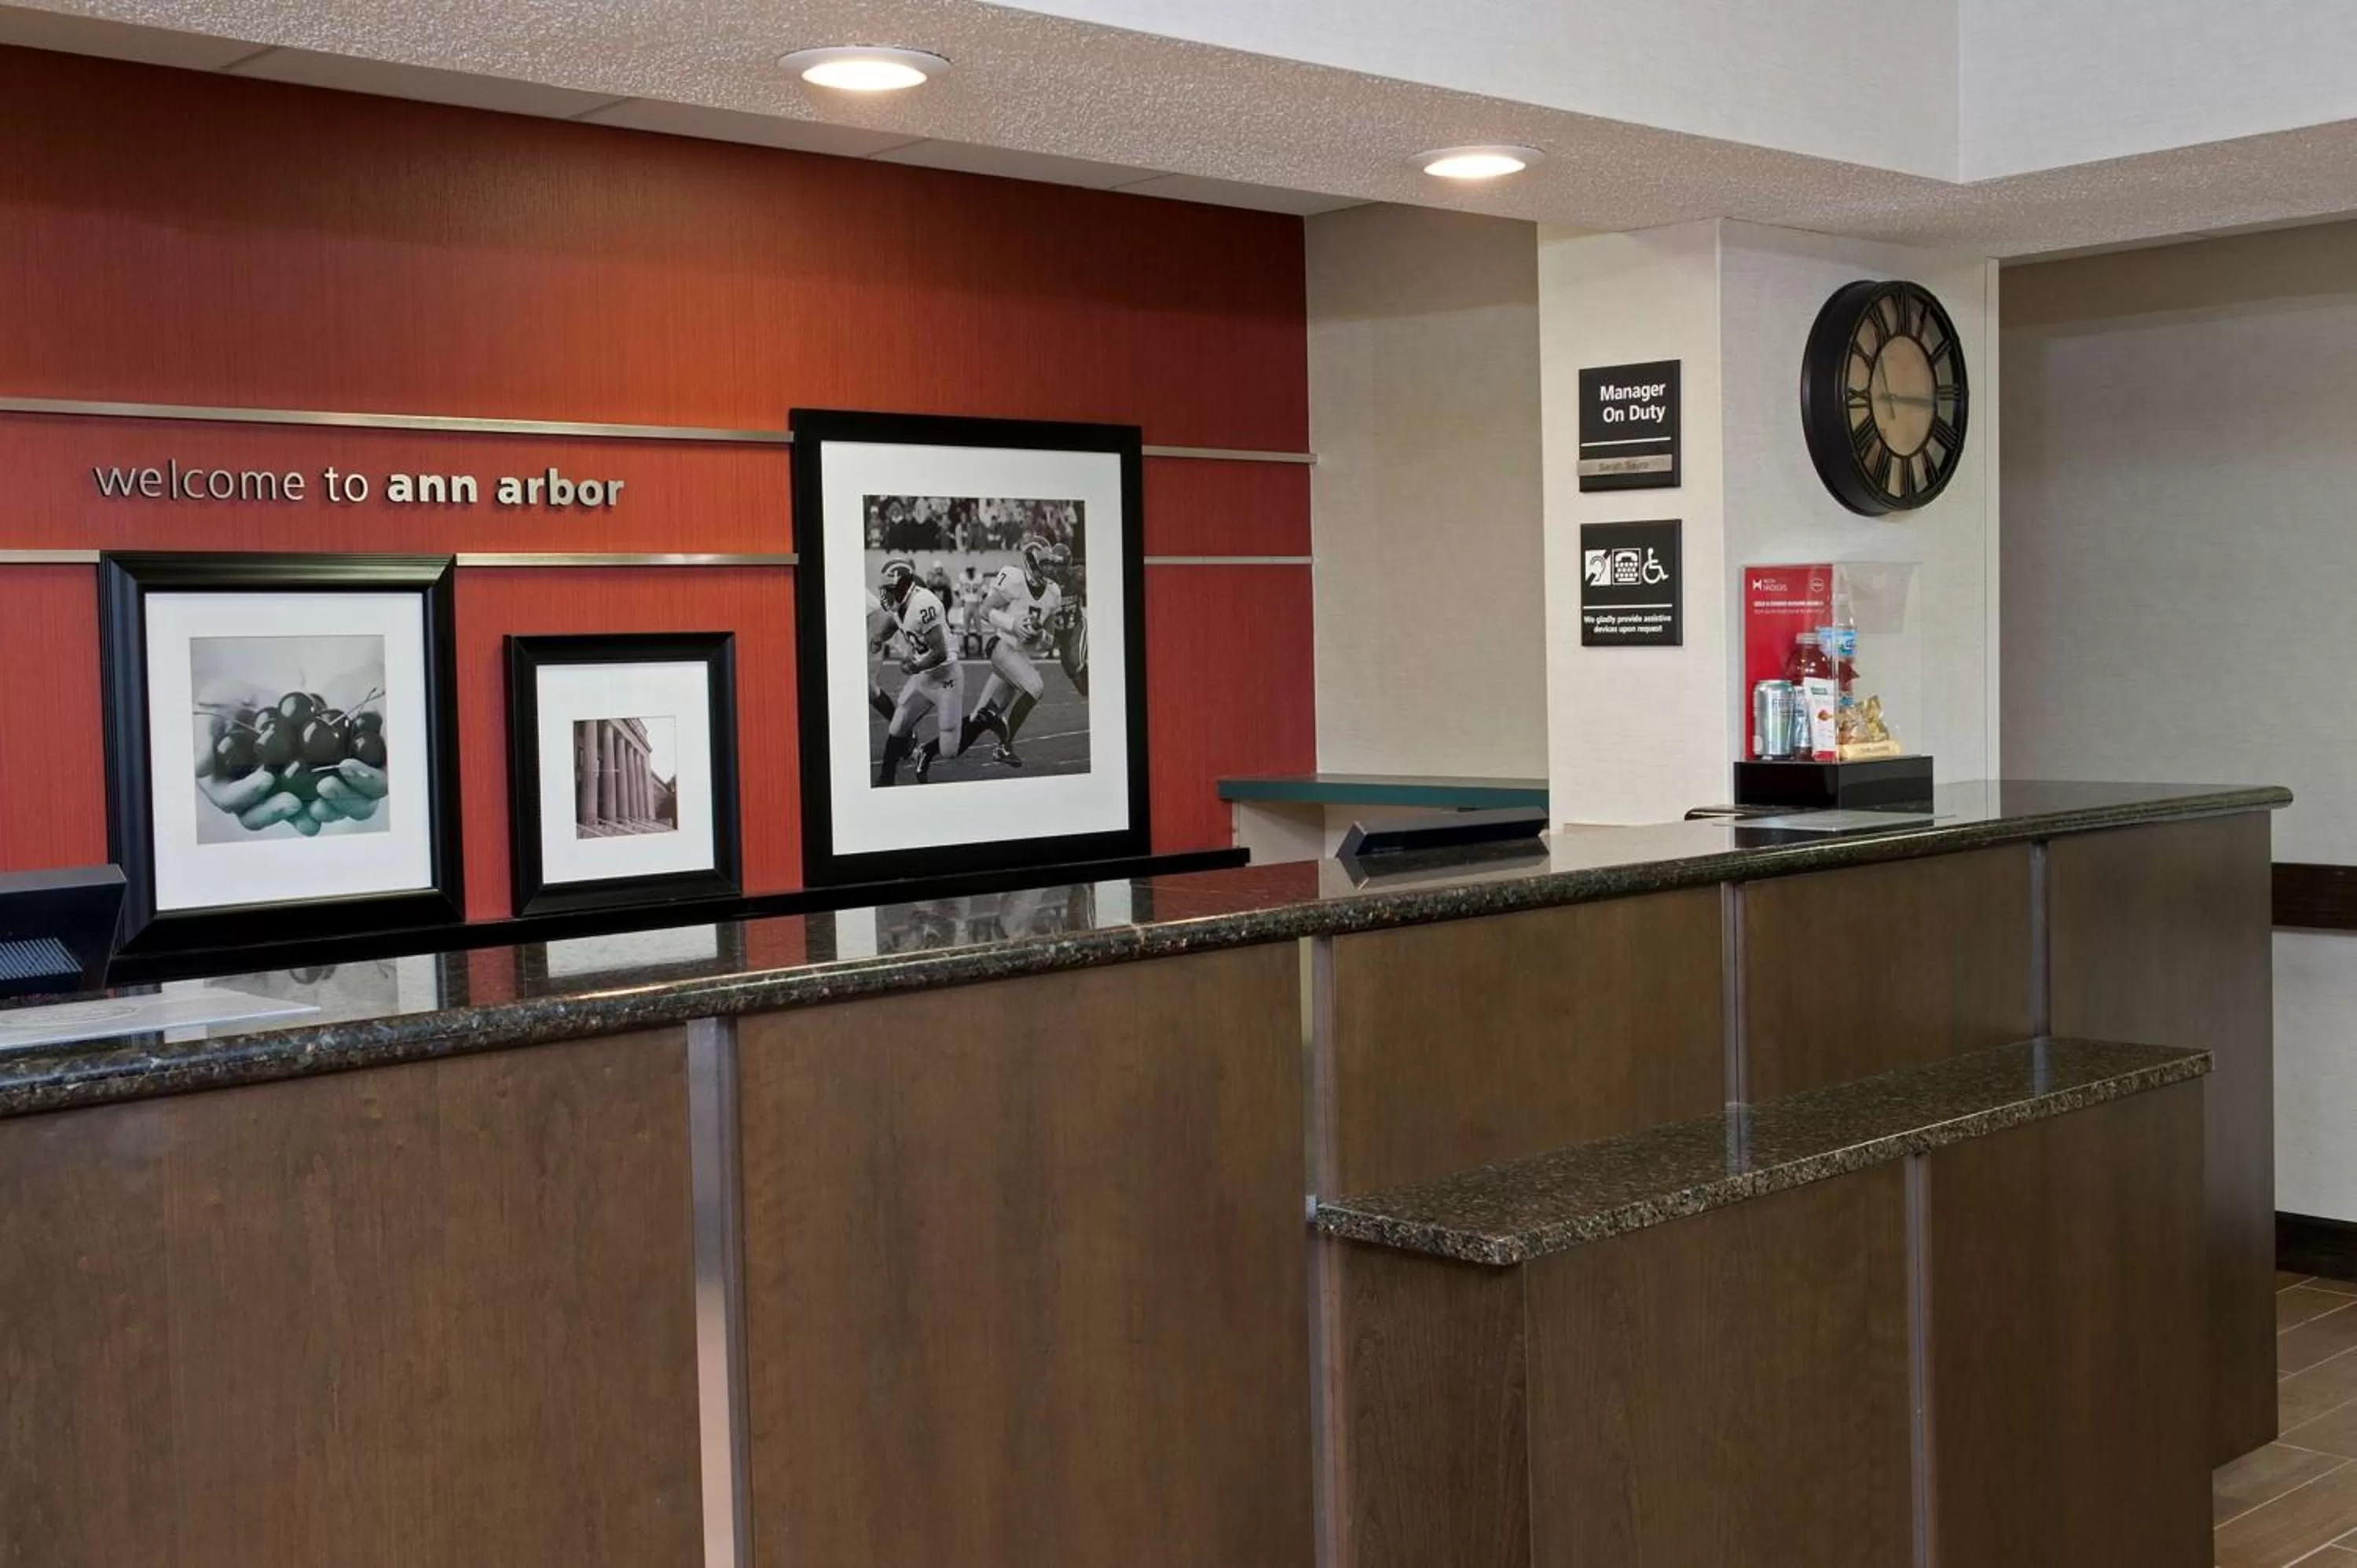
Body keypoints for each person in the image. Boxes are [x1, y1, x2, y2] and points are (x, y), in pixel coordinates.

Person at [956, 537, 1067, 768]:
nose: (1048, 568)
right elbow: (986, 610)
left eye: (1050, 563)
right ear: (1030, 561)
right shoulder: (1014, 579)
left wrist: (1039, 637)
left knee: (981, 715)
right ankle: (1004, 746)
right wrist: (1013, 624)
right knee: (1035, 688)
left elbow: (1049, 642)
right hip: (1004, 648)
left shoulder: (1054, 592)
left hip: (1020, 657)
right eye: (1043, 563)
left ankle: (932, 750)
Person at [873, 558, 966, 786]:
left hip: (946, 678)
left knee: (949, 750)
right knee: (898, 724)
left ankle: (927, 750)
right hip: (925, 676)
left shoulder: (924, 604)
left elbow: (940, 652)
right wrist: (879, 637)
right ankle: (885, 780)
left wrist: (915, 666)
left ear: (903, 586)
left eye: (888, 590)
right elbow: (895, 621)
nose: (885, 595)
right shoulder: (903, 603)